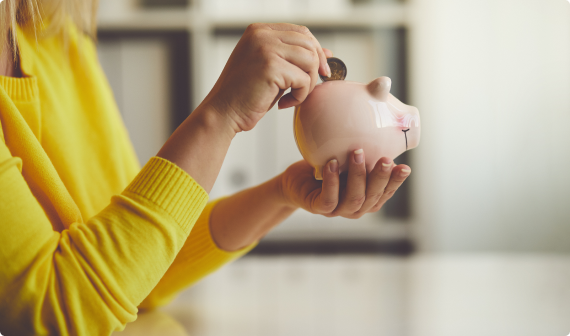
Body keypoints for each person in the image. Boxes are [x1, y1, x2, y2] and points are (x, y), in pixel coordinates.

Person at [0, 1, 411, 335]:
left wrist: (285, 191)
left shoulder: (58, 37)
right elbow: (49, 313)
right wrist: (221, 115)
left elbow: (140, 272)